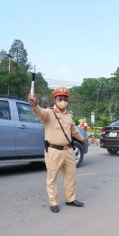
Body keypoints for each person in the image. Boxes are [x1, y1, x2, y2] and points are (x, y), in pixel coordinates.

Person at [28, 86, 86, 214]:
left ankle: (70, 199)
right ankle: (53, 202)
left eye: (65, 98)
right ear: (55, 99)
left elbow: (73, 130)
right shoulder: (49, 113)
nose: (63, 100)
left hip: (69, 150)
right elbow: (39, 111)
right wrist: (34, 104)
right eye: (60, 98)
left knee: (71, 176)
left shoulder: (68, 114)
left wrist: (82, 138)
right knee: (52, 177)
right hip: (54, 151)